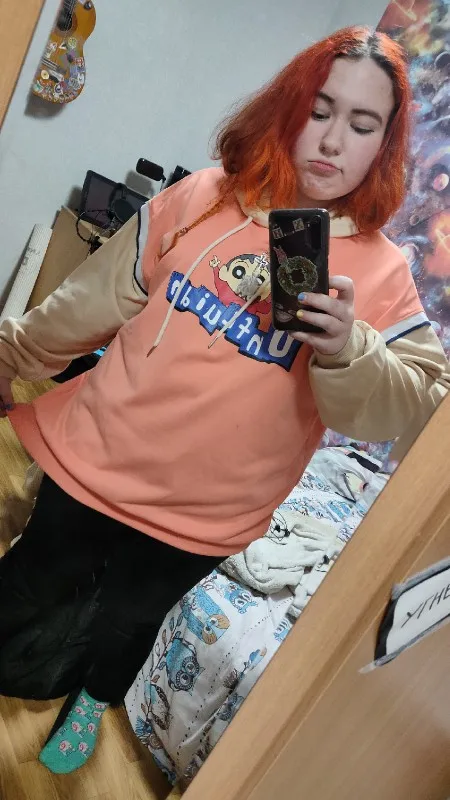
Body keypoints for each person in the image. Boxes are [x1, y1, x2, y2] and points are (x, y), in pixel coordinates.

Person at [0, 25, 448, 775]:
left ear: (384, 144)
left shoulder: (382, 274)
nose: (332, 140)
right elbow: (91, 299)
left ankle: (95, 699)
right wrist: (12, 359)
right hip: (92, 461)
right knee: (34, 578)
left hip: (204, 518)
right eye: (319, 110)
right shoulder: (204, 197)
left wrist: (349, 348)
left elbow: (422, 413)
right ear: (287, 107)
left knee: (131, 620)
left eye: (362, 123)